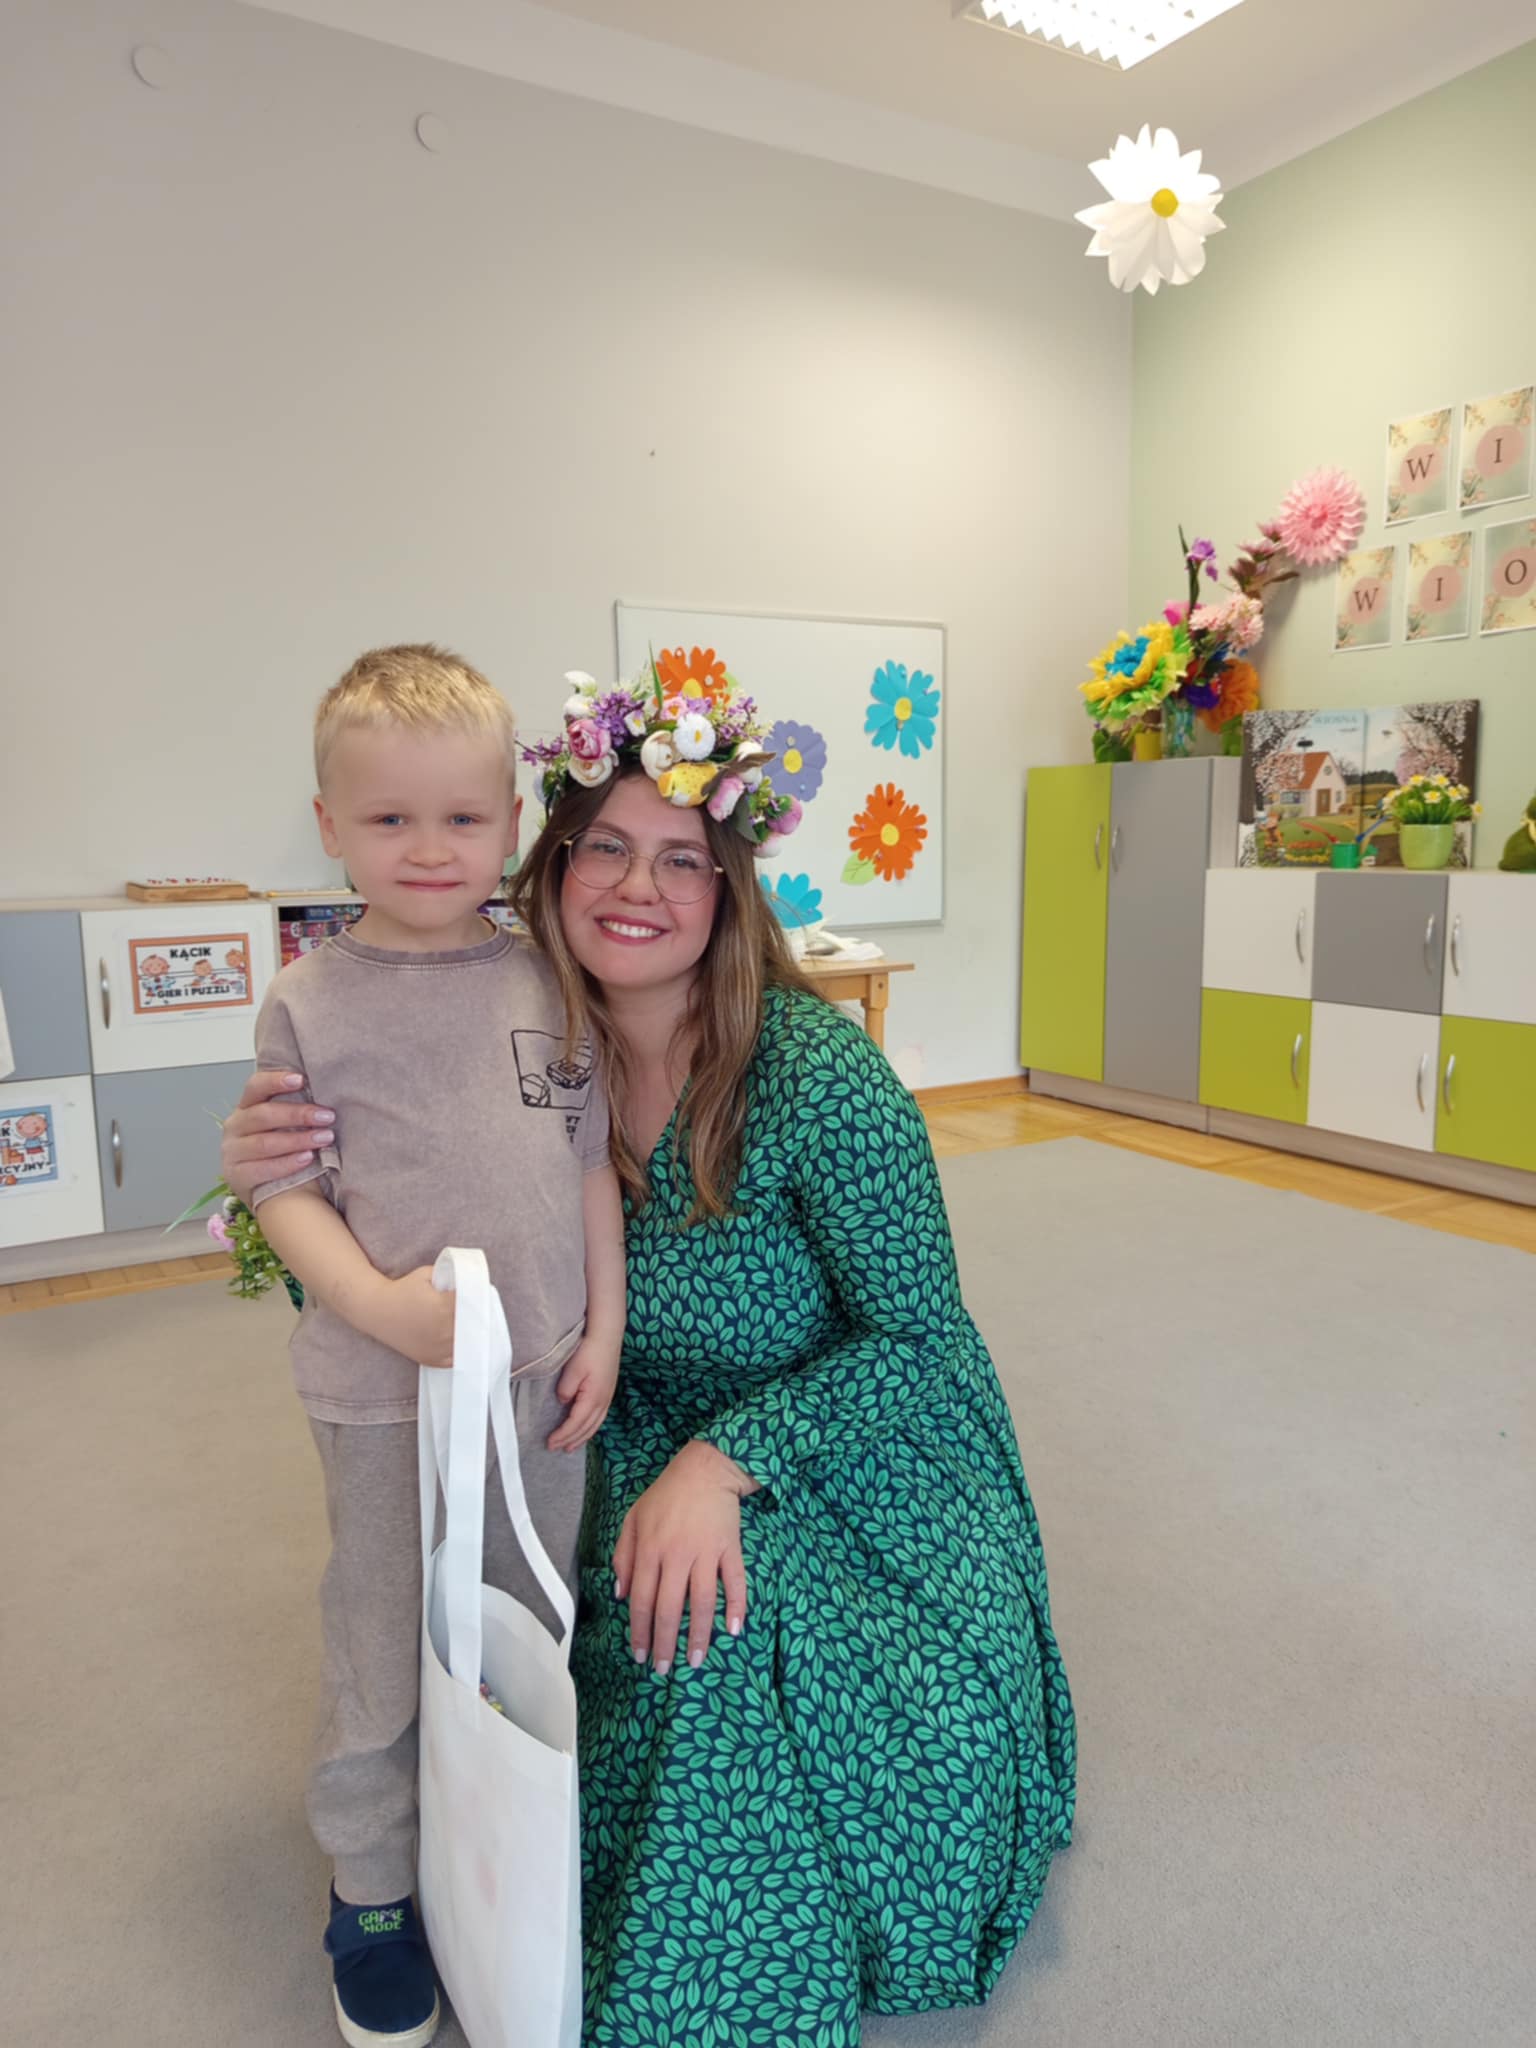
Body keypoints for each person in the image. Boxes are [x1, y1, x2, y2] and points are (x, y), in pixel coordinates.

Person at [225, 667, 1074, 2047]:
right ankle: (434, 1874)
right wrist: (257, 1156)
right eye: (607, 847)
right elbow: (353, 1180)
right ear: (552, 862)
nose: (637, 886)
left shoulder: (819, 1075)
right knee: (530, 1639)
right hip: (606, 1414)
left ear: (729, 889)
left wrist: (723, 1464)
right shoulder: (515, 1024)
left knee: (714, 1650)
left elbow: (920, 1339)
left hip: (838, 1446)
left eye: (682, 858)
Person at [241, 646, 625, 2048]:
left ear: (510, 826)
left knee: (522, 1627)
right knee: (383, 1636)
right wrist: (379, 1307)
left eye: (462, 817)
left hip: (539, 1391)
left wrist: (605, 1329)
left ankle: (501, 1849)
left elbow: (586, 1168)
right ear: (330, 825)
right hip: (379, 1396)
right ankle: (373, 1891)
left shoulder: (547, 979)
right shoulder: (310, 1001)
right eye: (389, 817)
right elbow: (284, 1189)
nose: (427, 847)